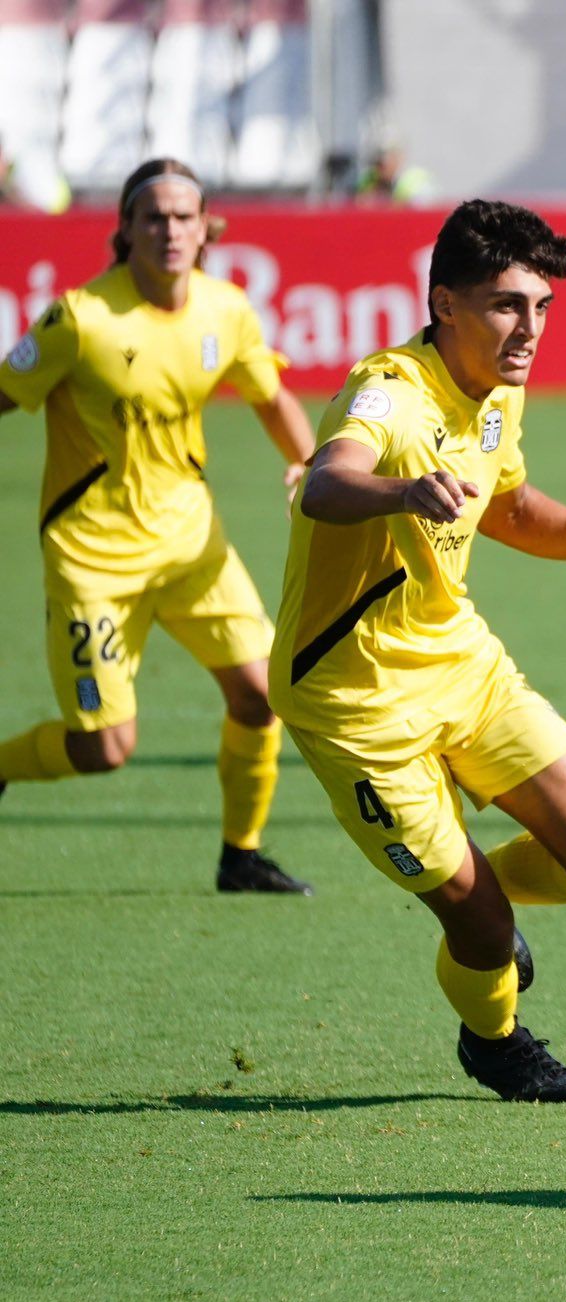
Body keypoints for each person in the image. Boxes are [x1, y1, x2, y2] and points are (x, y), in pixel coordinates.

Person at [273, 199, 566, 1102]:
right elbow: (326, 485)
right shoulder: (389, 390)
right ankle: (496, 1039)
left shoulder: (498, 397)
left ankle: (488, 905)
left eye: (542, 307)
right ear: (445, 304)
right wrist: (401, 490)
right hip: (353, 700)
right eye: (508, 305)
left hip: (459, 662)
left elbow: (509, 507)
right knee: (478, 927)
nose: (530, 329)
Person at [0, 157, 314, 894]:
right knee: (104, 746)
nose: (170, 229)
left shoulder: (227, 310)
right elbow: (5, 391)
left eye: (183, 216)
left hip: (192, 547)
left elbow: (270, 396)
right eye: (154, 216)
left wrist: (309, 462)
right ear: (126, 230)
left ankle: (242, 855)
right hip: (93, 562)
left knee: (263, 695)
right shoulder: (81, 319)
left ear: (207, 229)